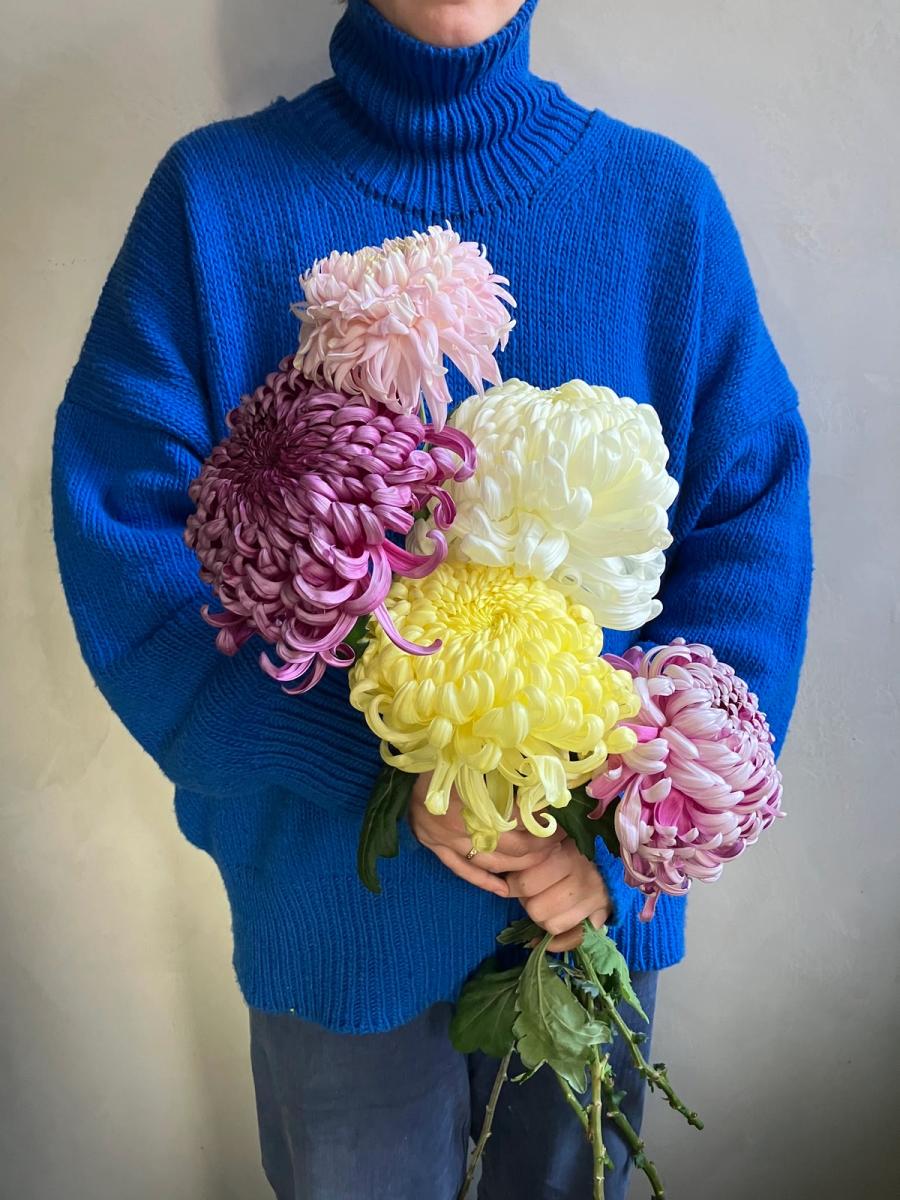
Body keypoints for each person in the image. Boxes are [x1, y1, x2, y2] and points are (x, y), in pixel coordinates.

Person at [50, 0, 813, 1196]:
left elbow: (749, 533)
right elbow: (125, 549)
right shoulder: (214, 205)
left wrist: (626, 838)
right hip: (334, 929)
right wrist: (369, 762)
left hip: (583, 926)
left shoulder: (663, 211)